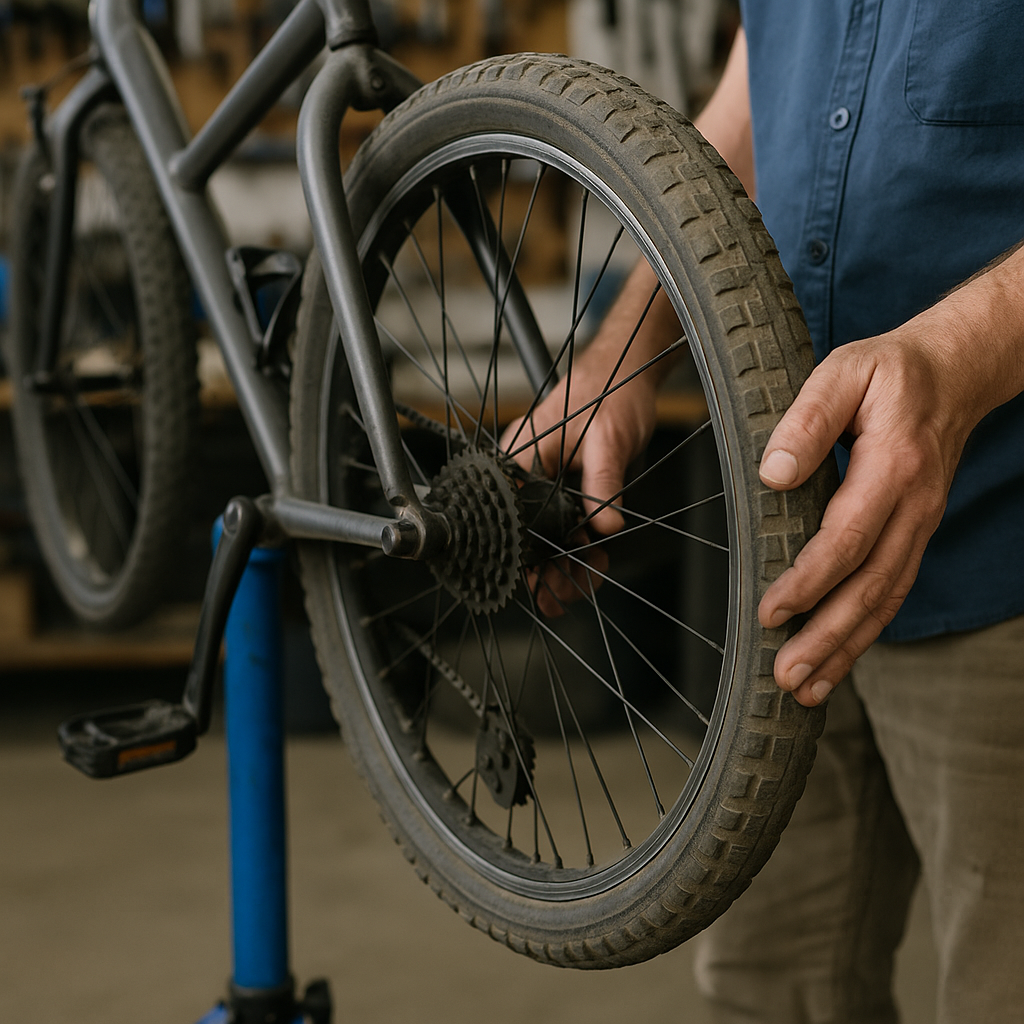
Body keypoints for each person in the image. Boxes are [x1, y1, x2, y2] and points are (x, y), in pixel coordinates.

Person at [517, 4, 1024, 1021]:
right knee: (769, 990)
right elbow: (765, 79)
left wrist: (960, 355)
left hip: (1003, 557)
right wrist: (626, 341)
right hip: (785, 551)